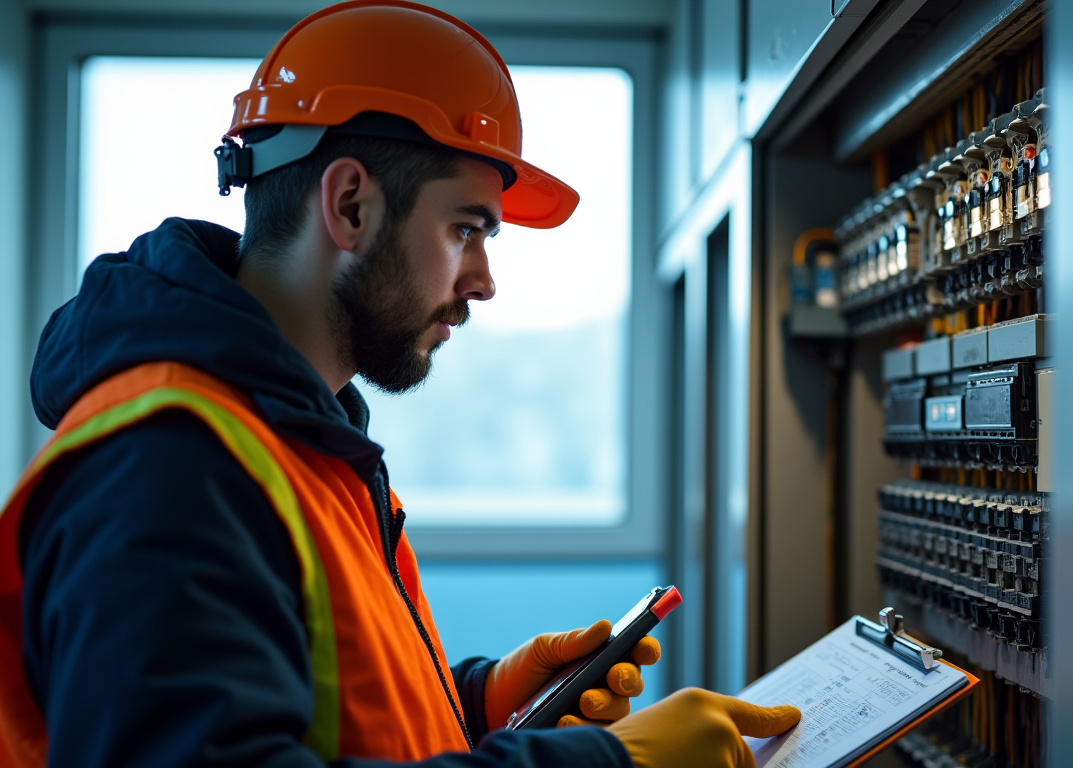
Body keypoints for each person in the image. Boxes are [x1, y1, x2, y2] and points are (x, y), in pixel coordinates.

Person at [0, 2, 800, 766]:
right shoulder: (168, 465)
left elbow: (310, 725)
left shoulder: (295, 443)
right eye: (466, 230)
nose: (485, 283)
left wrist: (483, 705)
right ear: (350, 205)